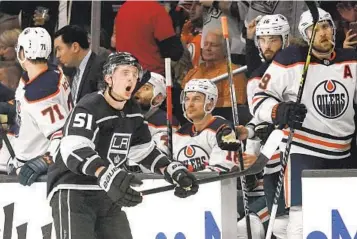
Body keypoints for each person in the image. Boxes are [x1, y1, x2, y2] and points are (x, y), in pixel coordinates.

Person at [47, 52, 199, 239]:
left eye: (135, 74)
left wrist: (171, 169)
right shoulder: (89, 106)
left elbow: (143, 151)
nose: (131, 78)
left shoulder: (133, 113)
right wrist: (104, 172)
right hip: (73, 191)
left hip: (107, 194)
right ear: (109, 78)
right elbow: (73, 149)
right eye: (125, 73)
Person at [251, 8, 357, 238]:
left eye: (326, 26)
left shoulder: (352, 60)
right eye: (314, 29)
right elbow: (258, 99)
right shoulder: (290, 59)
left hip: (345, 152)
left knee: (347, 219)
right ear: (305, 35)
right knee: (301, 222)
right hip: (304, 151)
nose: (322, 33)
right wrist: (280, 110)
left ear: (334, 29)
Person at [10, 27, 72, 186]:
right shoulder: (50, 71)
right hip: (22, 148)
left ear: (23, 52)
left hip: (32, 169)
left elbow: (63, 135)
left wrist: (46, 160)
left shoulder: (40, 93)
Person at [54, 25, 105, 105]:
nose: (57, 55)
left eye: (59, 49)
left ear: (75, 47)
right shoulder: (71, 69)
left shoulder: (100, 69)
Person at [134, 72, 180, 155]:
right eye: (137, 86)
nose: (137, 91)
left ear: (158, 98)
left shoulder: (165, 121)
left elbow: (161, 156)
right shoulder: (123, 114)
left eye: (146, 88)